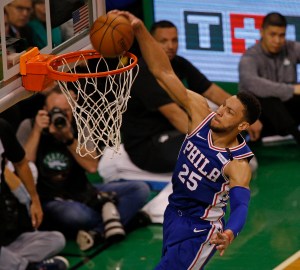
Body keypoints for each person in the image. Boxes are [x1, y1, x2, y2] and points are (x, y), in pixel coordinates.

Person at [110, 10, 262, 269]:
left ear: (243, 125)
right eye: (223, 105)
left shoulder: (237, 163)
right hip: (174, 213)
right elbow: (162, 72)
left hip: (200, 231)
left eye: (230, 112)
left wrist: (230, 233)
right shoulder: (201, 114)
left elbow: (240, 206)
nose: (221, 111)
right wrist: (138, 29)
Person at [16, 86, 150, 250]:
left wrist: (69, 139)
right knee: (76, 216)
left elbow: (92, 167)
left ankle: (98, 232)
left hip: (82, 191)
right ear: (44, 110)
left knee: (139, 189)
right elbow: (24, 166)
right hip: (50, 198)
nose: (60, 115)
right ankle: (120, 219)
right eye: (55, 111)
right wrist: (37, 131)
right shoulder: (28, 126)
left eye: (66, 111)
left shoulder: (79, 127)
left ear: (72, 110)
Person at [121, 19, 262, 174]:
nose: (170, 46)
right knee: (212, 149)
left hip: (173, 132)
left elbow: (211, 91)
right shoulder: (142, 73)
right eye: (163, 41)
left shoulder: (179, 63)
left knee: (227, 121)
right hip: (148, 147)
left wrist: (244, 116)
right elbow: (176, 116)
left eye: (174, 40)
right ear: (152, 43)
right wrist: (213, 141)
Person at [0, 118, 69, 270]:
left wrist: (35, 200)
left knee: (56, 239)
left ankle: (13, 264)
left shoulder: (2, 127)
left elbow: (21, 163)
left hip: (8, 241)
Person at [239, 12, 300, 143]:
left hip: (288, 113)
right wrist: (291, 89)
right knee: (266, 98)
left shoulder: (292, 48)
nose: (277, 41)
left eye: (281, 35)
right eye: (272, 34)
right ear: (262, 32)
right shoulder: (250, 57)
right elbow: (253, 84)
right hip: (261, 121)